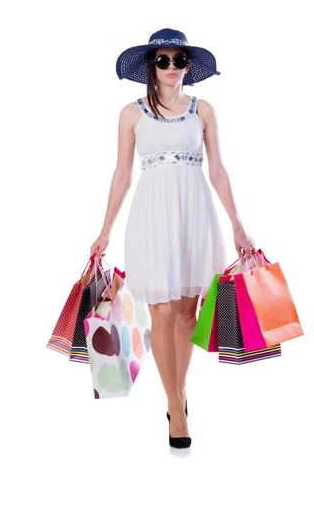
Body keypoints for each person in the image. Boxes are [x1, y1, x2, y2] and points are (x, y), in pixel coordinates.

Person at [90, 28, 256, 449]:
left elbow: (217, 170)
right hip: (151, 216)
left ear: (188, 66)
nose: (170, 67)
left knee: (187, 315)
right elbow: (122, 174)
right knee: (161, 314)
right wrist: (105, 229)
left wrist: (237, 224)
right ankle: (176, 407)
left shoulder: (204, 111)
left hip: (194, 213)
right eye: (161, 60)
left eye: (177, 60)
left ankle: (177, 392)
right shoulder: (132, 113)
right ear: (151, 65)